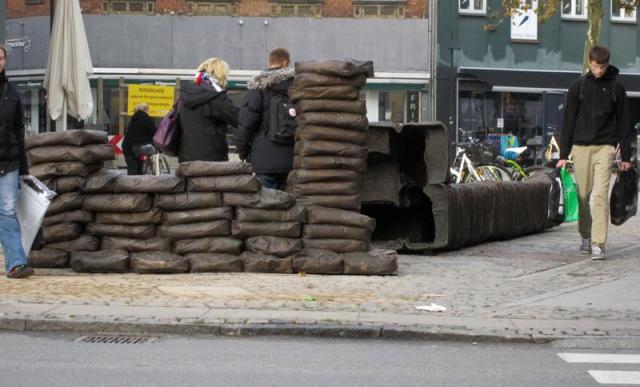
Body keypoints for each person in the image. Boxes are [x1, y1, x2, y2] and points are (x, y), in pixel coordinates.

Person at [557, 45, 634, 260]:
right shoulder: (578, 87)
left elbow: (624, 123)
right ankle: (585, 236)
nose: (598, 70)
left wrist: (626, 157)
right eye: (594, 66)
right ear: (589, 63)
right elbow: (569, 121)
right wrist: (563, 155)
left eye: (602, 66)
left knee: (599, 196)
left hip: (605, 148)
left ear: (607, 64)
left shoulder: (616, 88)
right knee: (583, 196)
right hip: (580, 149)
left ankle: (599, 243)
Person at [235, 48, 296, 190]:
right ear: (286, 63)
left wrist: (242, 150)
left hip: (264, 159)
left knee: (265, 207)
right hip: (292, 159)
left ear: (268, 63)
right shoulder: (297, 88)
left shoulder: (258, 88)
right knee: (289, 207)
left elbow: (246, 123)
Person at [0, 45, 33, 279]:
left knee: (7, 211)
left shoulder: (12, 93)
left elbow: (19, 131)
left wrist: (24, 168)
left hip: (8, 162)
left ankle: (16, 263)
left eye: (0, 58)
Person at [177, 58, 238, 162]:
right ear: (220, 75)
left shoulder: (186, 95)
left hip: (185, 158)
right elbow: (238, 118)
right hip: (211, 159)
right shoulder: (214, 96)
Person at [122, 103, 156, 175]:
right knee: (139, 171)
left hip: (128, 148)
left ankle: (131, 185)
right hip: (138, 148)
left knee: (132, 170)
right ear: (146, 110)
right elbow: (154, 133)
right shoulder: (147, 119)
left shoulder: (134, 119)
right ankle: (138, 184)